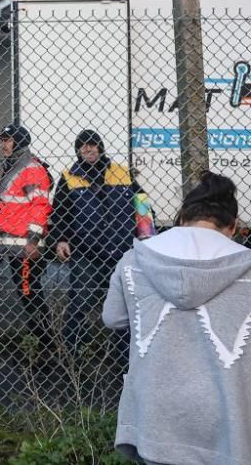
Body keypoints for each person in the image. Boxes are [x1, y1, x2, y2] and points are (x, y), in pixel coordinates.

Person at [103, 172, 251, 465]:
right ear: (233, 227)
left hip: (154, 417)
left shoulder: (135, 260)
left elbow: (113, 318)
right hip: (229, 418)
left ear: (181, 218)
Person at [50, 130, 145, 354]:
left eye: (92, 145)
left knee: (126, 303)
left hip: (122, 251)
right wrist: (60, 240)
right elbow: (59, 214)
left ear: (100, 147)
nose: (88, 149)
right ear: (77, 151)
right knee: (79, 303)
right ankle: (74, 351)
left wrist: (146, 234)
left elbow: (142, 203)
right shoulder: (68, 178)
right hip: (86, 253)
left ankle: (124, 352)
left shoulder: (122, 173)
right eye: (82, 146)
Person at [0, 124, 53, 351]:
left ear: (19, 142)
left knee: (31, 296)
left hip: (25, 248)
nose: (2, 145)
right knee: (28, 296)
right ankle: (42, 344)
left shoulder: (30, 168)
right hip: (16, 247)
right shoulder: (15, 166)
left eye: (7, 140)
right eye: (1, 140)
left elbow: (40, 206)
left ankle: (46, 347)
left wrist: (33, 241)